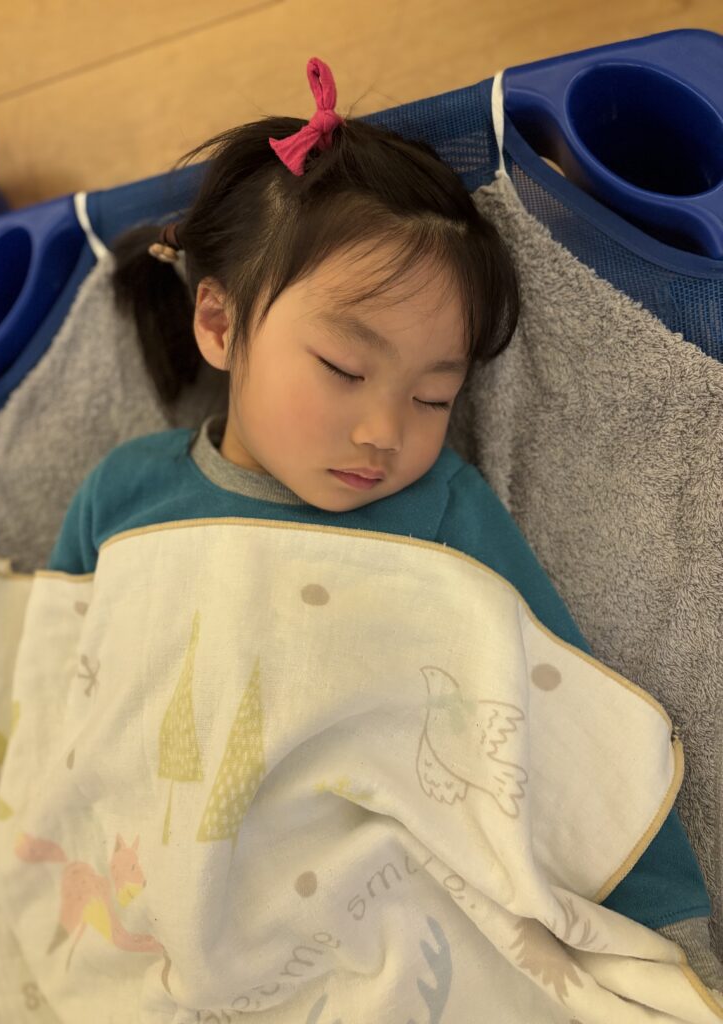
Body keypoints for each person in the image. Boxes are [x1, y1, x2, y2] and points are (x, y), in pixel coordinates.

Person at [47, 57, 722, 994]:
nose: (384, 432)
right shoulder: (124, 496)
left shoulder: (442, 507)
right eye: (343, 369)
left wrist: (679, 938)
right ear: (220, 325)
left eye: (434, 396)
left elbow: (565, 723)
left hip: (367, 932)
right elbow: (47, 700)